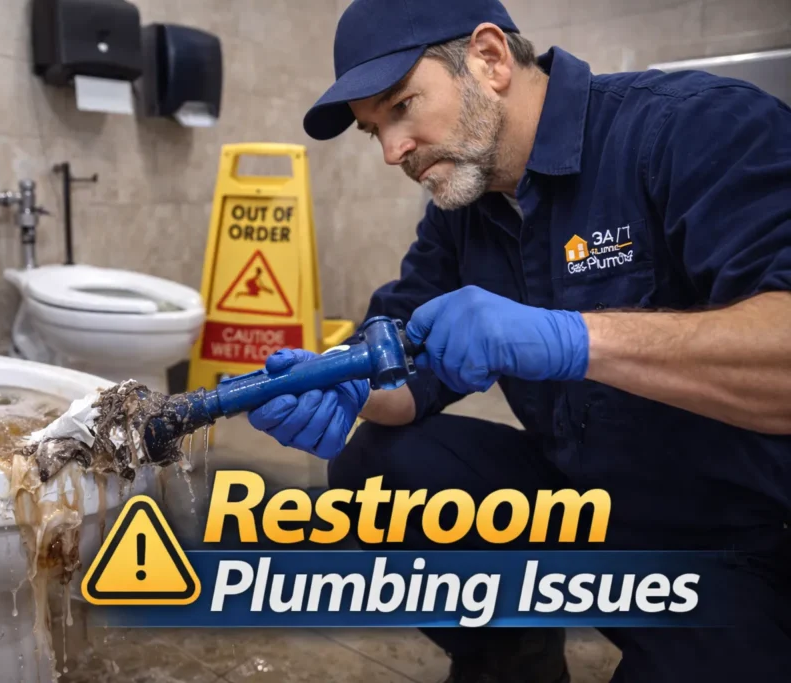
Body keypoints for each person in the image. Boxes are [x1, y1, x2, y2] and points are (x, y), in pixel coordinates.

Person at [244, 0, 791, 681]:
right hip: (585, 504)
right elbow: (406, 368)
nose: (392, 152)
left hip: (741, 540)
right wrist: (344, 380)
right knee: (375, 466)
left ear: (491, 58)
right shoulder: (462, 207)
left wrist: (572, 339)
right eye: (373, 130)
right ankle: (513, 656)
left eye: (402, 106)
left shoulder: (691, 128)